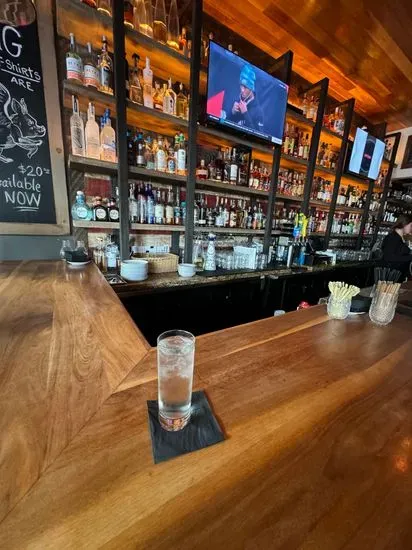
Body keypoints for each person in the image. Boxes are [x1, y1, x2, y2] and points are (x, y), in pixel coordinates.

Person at [227, 64, 264, 132]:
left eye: (245, 87)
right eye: (241, 85)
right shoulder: (235, 100)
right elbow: (224, 125)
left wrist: (245, 113)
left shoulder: (258, 111)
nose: (242, 90)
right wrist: (232, 113)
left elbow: (257, 135)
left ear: (252, 88)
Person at [381, 214, 412, 279]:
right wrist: (410, 257)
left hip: (397, 276)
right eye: (411, 225)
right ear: (404, 224)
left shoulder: (399, 238)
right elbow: (389, 257)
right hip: (390, 277)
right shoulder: (392, 238)